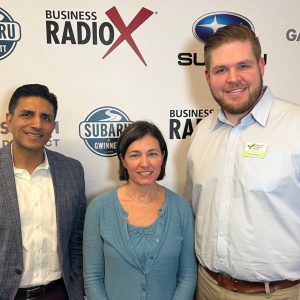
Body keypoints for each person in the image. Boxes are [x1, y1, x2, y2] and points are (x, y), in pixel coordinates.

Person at [184, 23, 300, 300]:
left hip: (279, 293)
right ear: (207, 76)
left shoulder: (296, 127)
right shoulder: (201, 133)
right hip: (207, 287)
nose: (233, 78)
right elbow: (192, 209)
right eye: (221, 70)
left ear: (261, 66)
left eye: (243, 66)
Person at [83, 120, 197, 300]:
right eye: (135, 155)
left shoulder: (181, 209)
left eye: (152, 154)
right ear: (123, 160)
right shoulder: (99, 209)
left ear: (163, 157)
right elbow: (93, 277)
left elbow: (187, 276)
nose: (145, 163)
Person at [0, 84, 86, 300]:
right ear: (9, 121)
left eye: (45, 118)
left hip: (59, 292)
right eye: (27, 115)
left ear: (53, 126)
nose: (37, 124)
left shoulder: (72, 171)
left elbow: (77, 240)